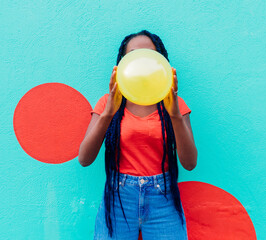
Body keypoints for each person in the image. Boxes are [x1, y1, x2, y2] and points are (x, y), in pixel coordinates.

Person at [78, 30, 197, 240]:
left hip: (163, 199)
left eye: (150, 54)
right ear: (122, 64)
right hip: (118, 198)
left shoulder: (175, 105)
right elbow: (85, 159)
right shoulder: (108, 102)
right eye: (133, 55)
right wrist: (109, 113)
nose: (142, 61)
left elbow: (189, 163)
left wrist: (175, 115)